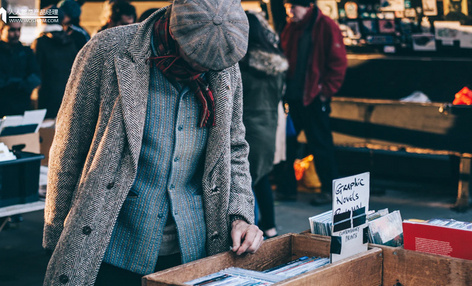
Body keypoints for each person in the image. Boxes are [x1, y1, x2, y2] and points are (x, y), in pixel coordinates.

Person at [43, 0, 263, 285]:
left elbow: (234, 148)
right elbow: (69, 145)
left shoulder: (223, 65)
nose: (205, 70)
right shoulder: (107, 49)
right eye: (196, 58)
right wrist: (56, 236)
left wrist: (240, 215)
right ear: (173, 30)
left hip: (194, 251)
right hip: (109, 246)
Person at [279, 0, 347, 204]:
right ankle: (287, 189)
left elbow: (338, 62)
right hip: (293, 98)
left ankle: (330, 190)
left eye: (293, 7)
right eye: (287, 7)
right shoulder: (292, 28)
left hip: (314, 98)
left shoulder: (326, 26)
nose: (290, 12)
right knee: (286, 145)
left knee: (321, 145)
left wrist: (325, 92)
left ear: (307, 6)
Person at [240, 11, 288, 239]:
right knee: (261, 179)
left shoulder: (242, 64)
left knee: (244, 183)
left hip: (246, 127)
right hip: (270, 126)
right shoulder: (276, 64)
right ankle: (269, 226)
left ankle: (252, 228)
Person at [32, 6, 79, 119]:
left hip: (46, 95)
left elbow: (35, 70)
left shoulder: (40, 42)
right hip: (68, 95)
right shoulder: (70, 42)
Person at [0, 15, 41, 117]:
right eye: (12, 30)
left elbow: (36, 76)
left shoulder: (26, 52)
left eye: (19, 29)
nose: (16, 33)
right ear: (1, 30)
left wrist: (21, 85)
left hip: (21, 107)